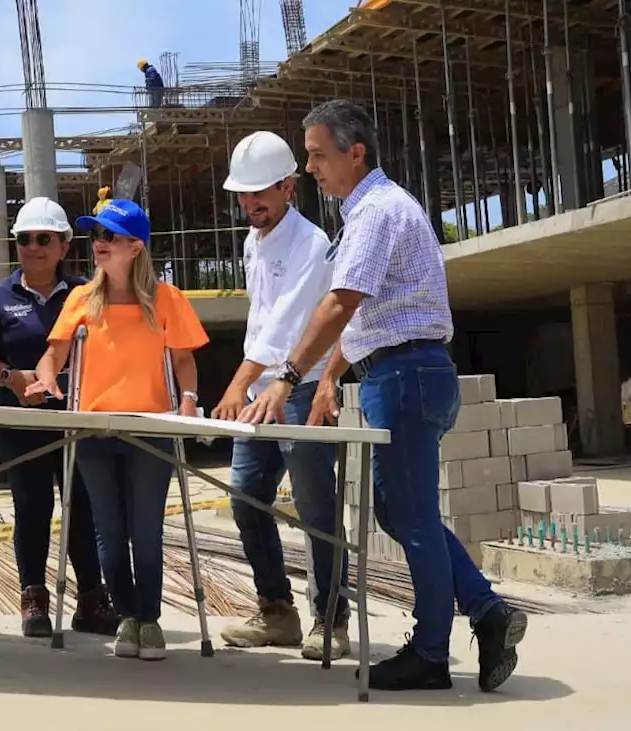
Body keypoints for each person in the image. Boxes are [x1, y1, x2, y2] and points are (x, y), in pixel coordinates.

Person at [239, 99, 528, 693]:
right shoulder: (369, 211)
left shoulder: (376, 211)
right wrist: (327, 376)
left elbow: (342, 300)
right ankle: (486, 609)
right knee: (398, 512)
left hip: (405, 375)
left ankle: (431, 651)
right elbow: (364, 315)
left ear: (355, 153)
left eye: (318, 155)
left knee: (413, 518)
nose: (313, 167)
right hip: (398, 371)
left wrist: (289, 375)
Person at [26, 199, 208, 661]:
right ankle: (127, 616)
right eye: (96, 237)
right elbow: (56, 354)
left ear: (135, 247)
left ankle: (150, 618)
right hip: (95, 430)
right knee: (107, 531)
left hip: (151, 428)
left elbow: (184, 361)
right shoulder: (82, 299)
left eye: (109, 237)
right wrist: (46, 377)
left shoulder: (168, 300)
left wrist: (187, 399)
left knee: (145, 530)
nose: (99, 245)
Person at [210, 131, 349, 661]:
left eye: (259, 193)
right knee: (245, 497)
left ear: (288, 186)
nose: (249, 204)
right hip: (263, 387)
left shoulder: (311, 244)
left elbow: (287, 325)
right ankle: (276, 612)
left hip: (302, 386)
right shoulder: (253, 241)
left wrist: (238, 383)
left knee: (316, 506)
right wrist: (250, 383)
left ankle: (330, 620)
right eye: (242, 195)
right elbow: (259, 321)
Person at [0, 196, 118, 639]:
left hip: (79, 421)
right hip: (22, 425)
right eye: (24, 239)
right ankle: (33, 598)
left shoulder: (88, 295)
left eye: (43, 239)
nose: (33, 247)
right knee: (32, 507)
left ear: (63, 245)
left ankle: (92, 600)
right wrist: (9, 377)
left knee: (84, 509)